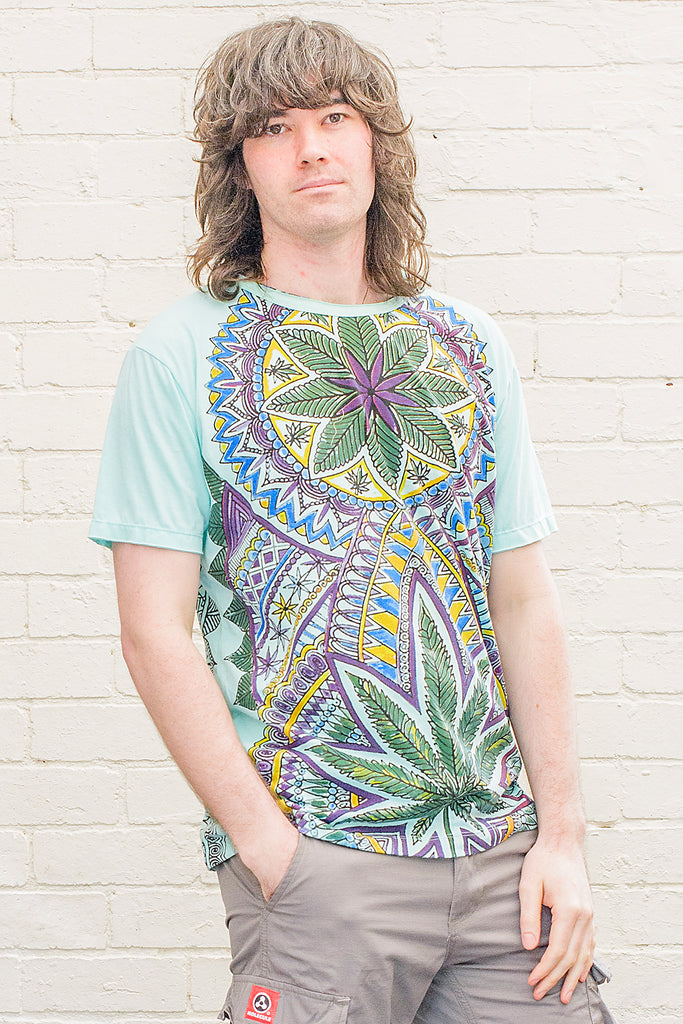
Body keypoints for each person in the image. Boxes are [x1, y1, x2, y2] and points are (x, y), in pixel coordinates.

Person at [89, 17, 615, 1024]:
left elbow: (521, 596)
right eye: (275, 127)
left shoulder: (465, 342)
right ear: (240, 164)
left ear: (377, 141)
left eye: (335, 117)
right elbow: (154, 631)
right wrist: (269, 848)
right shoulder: (179, 354)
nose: (312, 148)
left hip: (504, 859)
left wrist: (560, 836)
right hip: (320, 859)